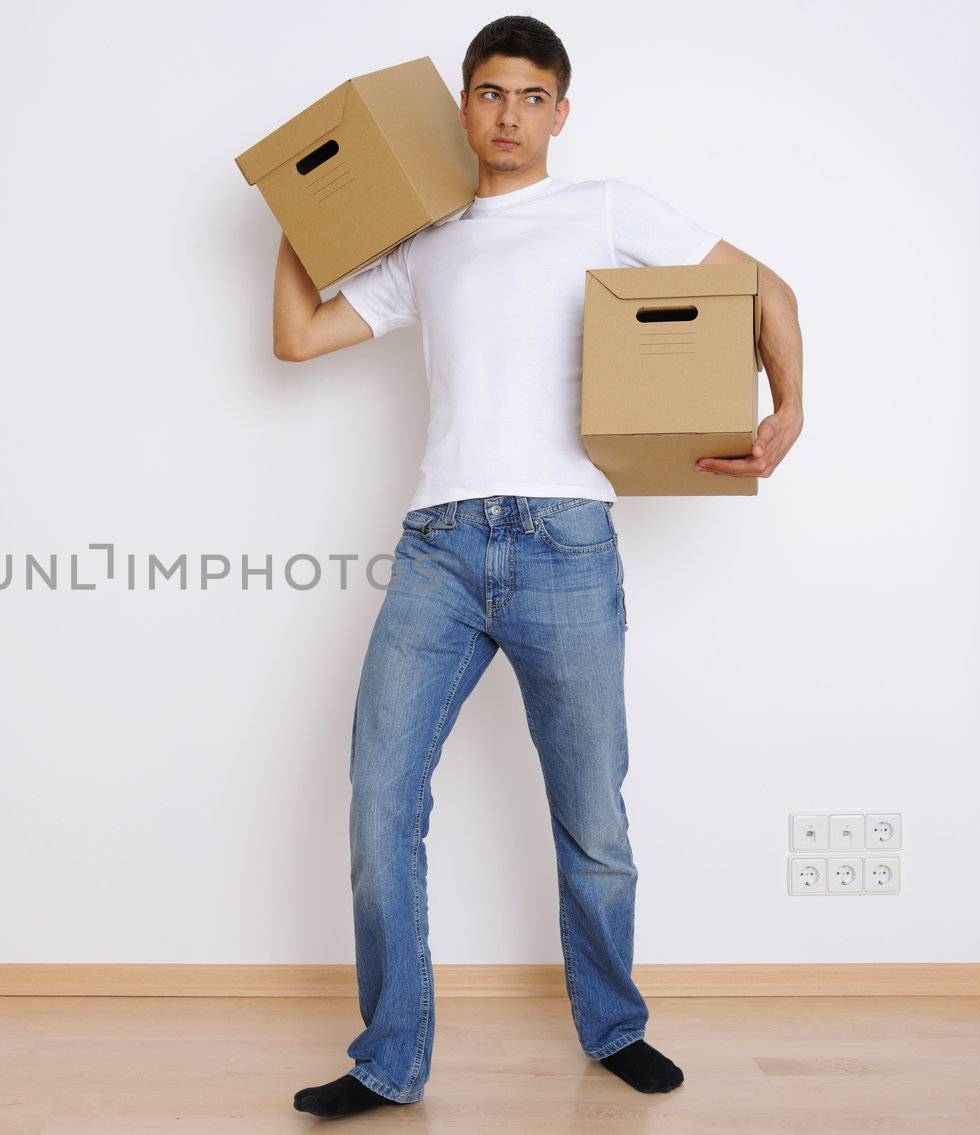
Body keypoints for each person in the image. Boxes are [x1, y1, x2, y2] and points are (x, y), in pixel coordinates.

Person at [274, 14, 804, 1119]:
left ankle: (614, 1028)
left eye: (528, 97)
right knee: (380, 801)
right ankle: (390, 1059)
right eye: (486, 93)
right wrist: (304, 212)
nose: (506, 115)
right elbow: (298, 336)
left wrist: (786, 408)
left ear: (559, 112)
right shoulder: (426, 239)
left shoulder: (604, 209)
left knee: (591, 815)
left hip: (566, 539)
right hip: (439, 545)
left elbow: (767, 291)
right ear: (460, 106)